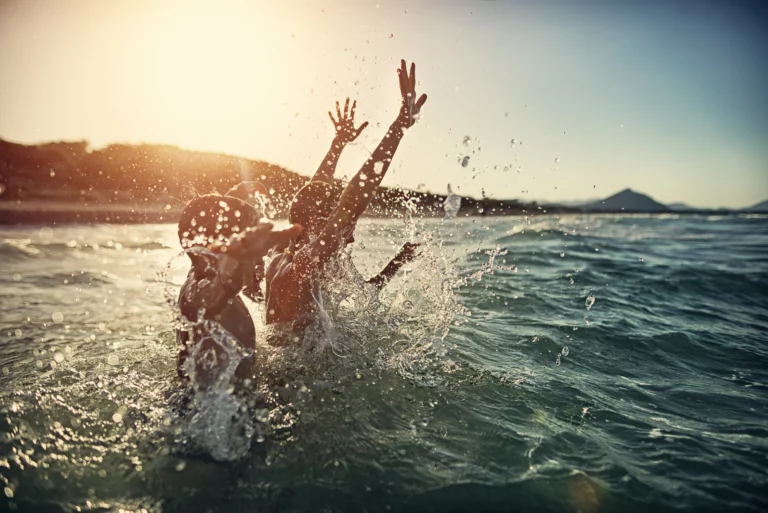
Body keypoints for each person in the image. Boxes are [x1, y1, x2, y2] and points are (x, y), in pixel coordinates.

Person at [265, 59, 427, 331]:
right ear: (319, 224)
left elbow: (311, 197)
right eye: (343, 226)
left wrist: (337, 145)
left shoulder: (285, 251)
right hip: (296, 374)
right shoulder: (304, 265)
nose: (350, 236)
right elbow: (352, 201)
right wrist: (399, 126)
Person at [175, 192, 301, 385]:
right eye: (249, 245)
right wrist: (238, 265)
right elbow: (214, 297)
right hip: (211, 412)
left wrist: (232, 199)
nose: (262, 257)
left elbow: (206, 246)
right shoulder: (198, 291)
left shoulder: (198, 273)